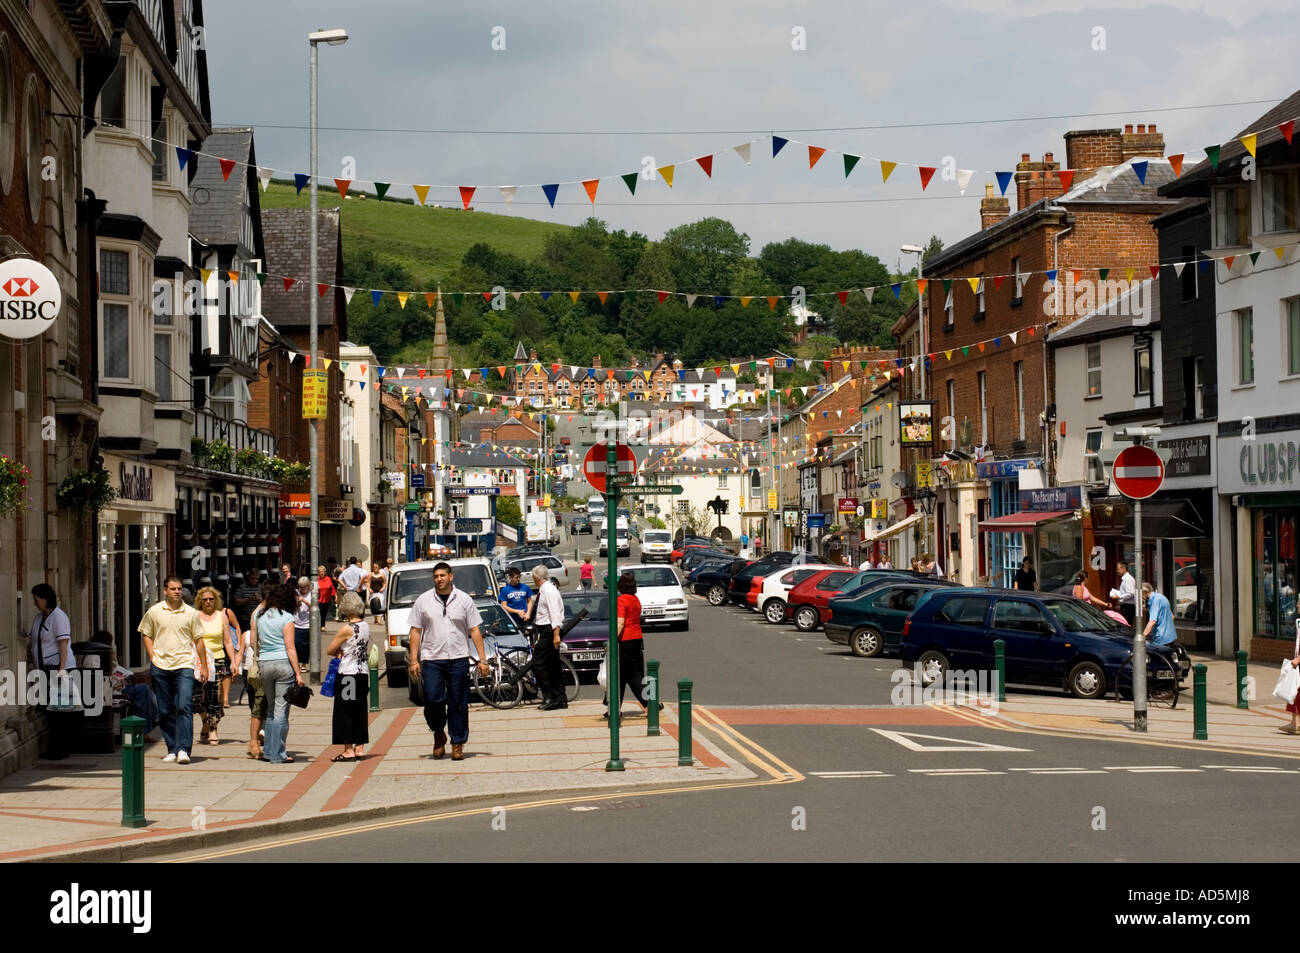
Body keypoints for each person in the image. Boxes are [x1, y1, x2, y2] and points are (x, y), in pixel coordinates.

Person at [406, 562, 491, 761]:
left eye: (443, 575)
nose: (439, 579)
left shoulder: (464, 599)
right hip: (432, 659)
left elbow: (474, 630)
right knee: (432, 699)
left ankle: (457, 743)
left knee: (458, 702)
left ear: (451, 577)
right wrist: (413, 660)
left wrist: (482, 660)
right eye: (436, 576)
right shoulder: (423, 600)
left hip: (458, 658)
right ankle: (438, 732)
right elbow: (415, 631)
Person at [139, 576, 208, 764]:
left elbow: (199, 640)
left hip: (184, 664)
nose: (177, 591)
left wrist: (203, 666)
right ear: (164, 591)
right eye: (173, 589)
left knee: (184, 705)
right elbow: (146, 633)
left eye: (179, 588)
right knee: (164, 710)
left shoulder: (191, 613)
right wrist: (152, 656)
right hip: (160, 666)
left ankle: (184, 749)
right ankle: (172, 748)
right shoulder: (154, 611)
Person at [257, 583, 305, 763]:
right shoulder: (287, 618)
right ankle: (278, 754)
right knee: (281, 711)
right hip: (283, 665)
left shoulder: (260, 617)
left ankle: (268, 751)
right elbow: (290, 647)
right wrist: (298, 674)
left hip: (265, 663)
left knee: (270, 709)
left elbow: (257, 641)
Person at [603, 572, 657, 719]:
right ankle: (613, 708)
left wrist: (612, 639)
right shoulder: (635, 599)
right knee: (622, 675)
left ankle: (652, 702)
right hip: (637, 638)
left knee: (631, 675)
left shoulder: (622, 600)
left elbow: (620, 622)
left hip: (625, 640)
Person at [326, 592, 372, 761]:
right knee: (360, 710)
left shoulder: (346, 629)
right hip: (362, 674)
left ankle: (348, 749)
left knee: (345, 711)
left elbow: (330, 649)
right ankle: (360, 747)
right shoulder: (366, 626)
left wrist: (339, 651)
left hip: (348, 676)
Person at [194, 587, 237, 745]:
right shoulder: (195, 616)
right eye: (204, 599)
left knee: (214, 697)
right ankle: (205, 720)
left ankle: (213, 729)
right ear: (200, 601)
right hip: (199, 661)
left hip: (217, 660)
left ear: (216, 600)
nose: (208, 602)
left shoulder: (221, 616)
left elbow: (227, 641)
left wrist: (233, 661)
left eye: (211, 599)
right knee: (195, 698)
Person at [530, 565, 568, 711]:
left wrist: (556, 634)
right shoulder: (545, 590)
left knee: (538, 663)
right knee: (552, 665)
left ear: (536, 577)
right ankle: (560, 698)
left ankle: (550, 696)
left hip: (550, 630)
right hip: (546, 629)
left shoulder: (549, 591)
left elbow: (555, 613)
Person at [1141, 582, 1177, 646]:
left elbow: (1152, 622)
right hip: (1170, 636)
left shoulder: (1155, 601)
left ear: (1145, 592)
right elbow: (1172, 616)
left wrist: (1142, 637)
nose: (1141, 597)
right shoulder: (1161, 597)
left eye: (1141, 594)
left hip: (1161, 638)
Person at [232, 569, 263, 636]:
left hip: (259, 619)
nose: (254, 581)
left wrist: (259, 599)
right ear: (248, 577)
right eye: (252, 578)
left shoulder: (261, 587)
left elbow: (267, 602)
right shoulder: (242, 587)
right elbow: (236, 602)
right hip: (245, 619)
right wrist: (248, 599)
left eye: (256, 579)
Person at [293, 577, 312, 676]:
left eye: (303, 587)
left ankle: (304, 664)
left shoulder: (312, 594)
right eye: (300, 587)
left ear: (308, 587)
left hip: (307, 623)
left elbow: (314, 606)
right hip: (296, 622)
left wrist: (304, 601)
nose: (301, 589)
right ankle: (296, 664)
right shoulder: (296, 592)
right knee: (295, 643)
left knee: (305, 646)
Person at [1109, 560, 1137, 625]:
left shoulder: (1128, 579)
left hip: (1128, 607)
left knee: (1125, 626)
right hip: (1126, 606)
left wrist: (1118, 596)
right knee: (1124, 625)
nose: (1117, 571)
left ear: (1124, 569)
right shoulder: (1125, 579)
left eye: (1118, 569)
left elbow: (1130, 593)